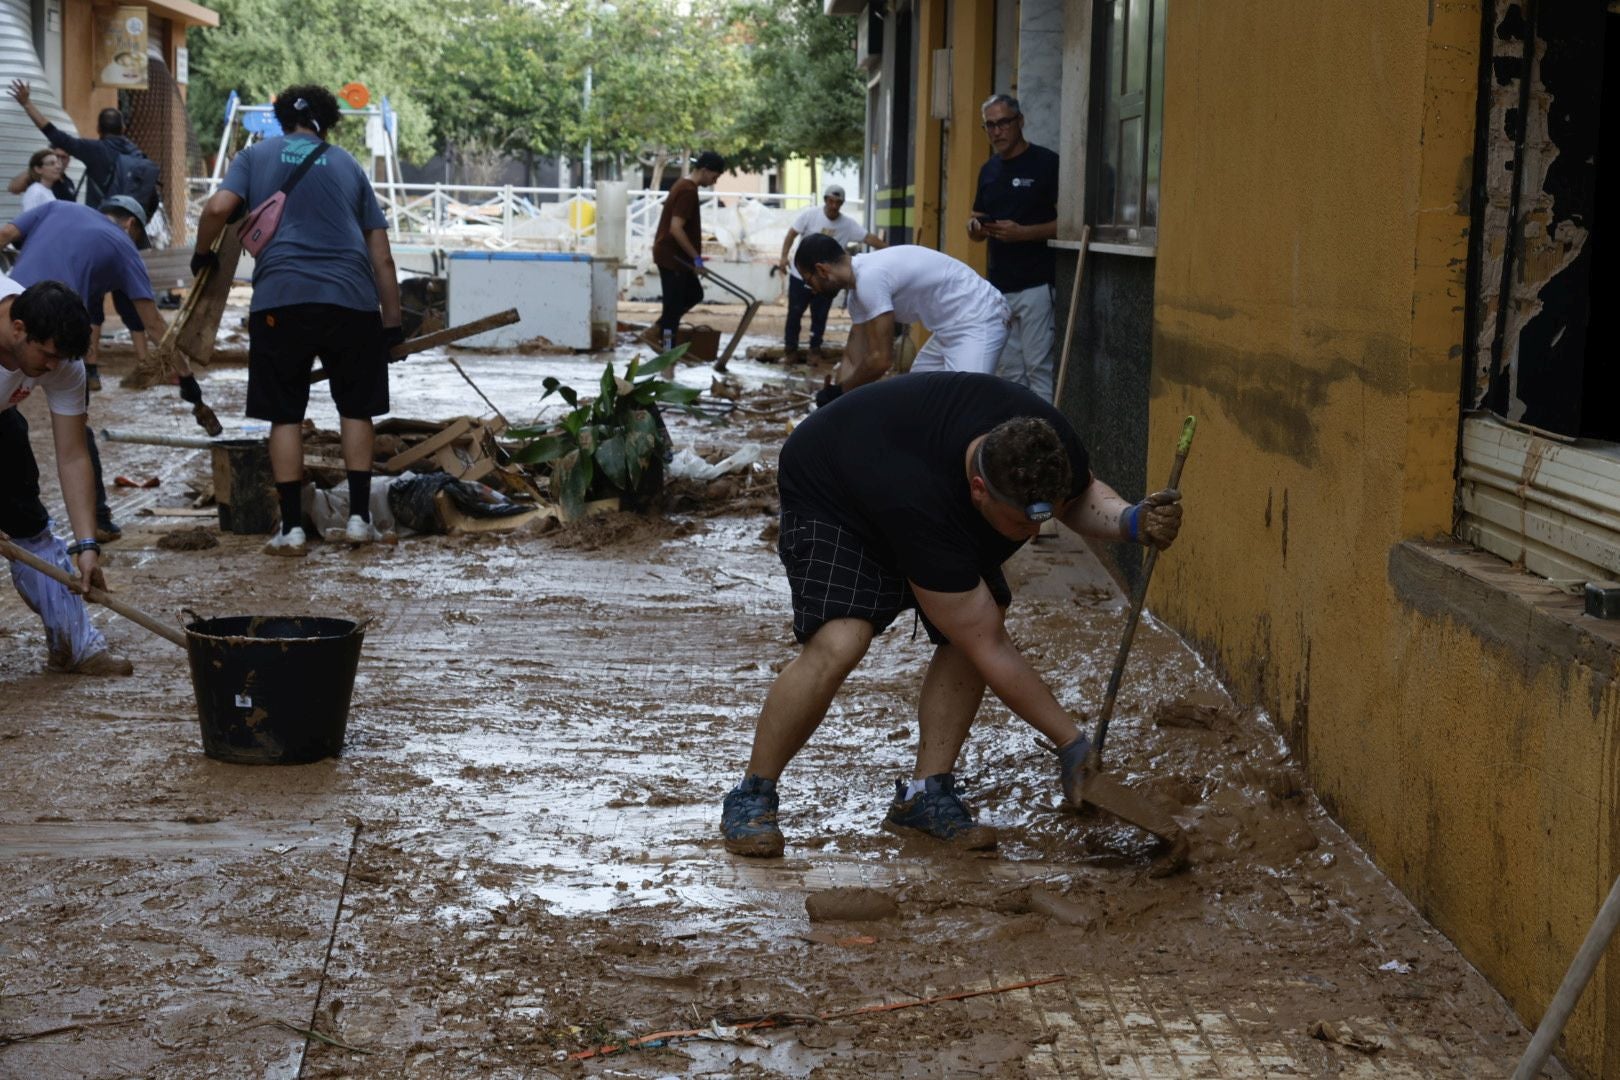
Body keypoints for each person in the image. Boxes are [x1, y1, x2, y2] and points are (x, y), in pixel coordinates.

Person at [718, 372, 1183, 856]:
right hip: (833, 488)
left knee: (980, 618)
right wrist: (1071, 743)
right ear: (979, 490)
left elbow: (1079, 498)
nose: (1034, 532)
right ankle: (752, 793)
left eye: (1041, 518)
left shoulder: (1045, 443)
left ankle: (926, 794)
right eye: (1023, 523)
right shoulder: (920, 503)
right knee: (844, 638)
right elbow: (987, 643)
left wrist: (1133, 520)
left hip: (906, 469)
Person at [191, 83, 403, 557]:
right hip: (352, 300)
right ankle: (358, 521)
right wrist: (391, 325)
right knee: (355, 408)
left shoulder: (254, 157)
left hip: (280, 301)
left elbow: (218, 209)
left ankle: (291, 529)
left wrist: (202, 255)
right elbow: (382, 257)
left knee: (284, 413)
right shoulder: (349, 164)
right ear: (327, 122)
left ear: (280, 119)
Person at [0, 198, 215, 540]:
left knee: (22, 420)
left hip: (19, 317)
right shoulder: (122, 245)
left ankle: (62, 524)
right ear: (130, 225)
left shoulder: (56, 208)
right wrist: (189, 382)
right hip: (48, 333)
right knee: (75, 429)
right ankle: (98, 517)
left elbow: (5, 233)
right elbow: (155, 325)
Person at [0, 272, 132, 676]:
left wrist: (87, 545)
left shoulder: (60, 360)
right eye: (47, 356)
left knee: (29, 524)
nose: (53, 367)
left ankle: (74, 644)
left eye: (61, 358)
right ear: (18, 329)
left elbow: (73, 455)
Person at [795, 235, 1010, 407]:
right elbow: (853, 356)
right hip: (949, 330)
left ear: (822, 270)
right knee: (916, 401)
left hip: (981, 316)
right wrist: (837, 401)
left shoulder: (870, 278)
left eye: (808, 281)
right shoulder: (857, 296)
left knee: (966, 405)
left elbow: (881, 360)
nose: (811, 289)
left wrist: (840, 391)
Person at [969, 94, 1061, 401]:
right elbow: (978, 220)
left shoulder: (1047, 164)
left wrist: (1024, 233)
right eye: (990, 125)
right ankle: (1018, 441)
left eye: (1003, 123)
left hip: (1037, 285)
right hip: (999, 288)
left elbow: (1072, 225)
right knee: (1009, 373)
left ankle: (1045, 440)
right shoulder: (989, 171)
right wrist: (976, 229)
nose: (997, 131)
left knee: (1039, 369)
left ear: (1020, 121)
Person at [776, 185, 886, 364]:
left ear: (842, 204)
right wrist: (783, 257)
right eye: (830, 201)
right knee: (795, 313)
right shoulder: (810, 215)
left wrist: (890, 249)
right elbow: (791, 234)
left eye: (838, 202)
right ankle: (790, 351)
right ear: (825, 200)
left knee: (820, 315)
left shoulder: (847, 224)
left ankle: (814, 350)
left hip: (828, 279)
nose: (834, 205)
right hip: (801, 275)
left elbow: (868, 238)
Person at [7, 81, 154, 214]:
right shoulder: (137, 153)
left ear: (98, 129)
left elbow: (55, 135)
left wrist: (27, 104)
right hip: (130, 225)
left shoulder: (94, 150)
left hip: (101, 222)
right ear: (123, 128)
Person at [648, 151, 725, 352]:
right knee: (673, 307)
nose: (714, 181)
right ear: (705, 170)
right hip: (673, 257)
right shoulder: (688, 191)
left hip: (675, 257)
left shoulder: (684, 185)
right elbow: (676, 227)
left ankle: (658, 330)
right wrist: (696, 259)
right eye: (714, 176)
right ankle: (666, 350)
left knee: (694, 294)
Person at [7, 148, 76, 207]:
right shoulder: (36, 189)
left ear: (69, 160)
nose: (60, 161)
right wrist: (37, 168)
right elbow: (13, 188)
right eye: (57, 156)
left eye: (64, 157)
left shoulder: (68, 182)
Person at [19, 149, 68, 213]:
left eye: (58, 163)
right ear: (38, 169)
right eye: (52, 163)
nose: (58, 167)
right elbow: (29, 219)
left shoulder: (47, 191)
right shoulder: (35, 191)